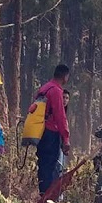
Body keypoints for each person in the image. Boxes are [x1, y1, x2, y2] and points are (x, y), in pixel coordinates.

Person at [33, 65, 71, 195]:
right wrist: (65, 139)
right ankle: (47, 197)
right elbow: (60, 116)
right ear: (65, 77)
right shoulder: (56, 91)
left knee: (43, 164)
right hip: (51, 133)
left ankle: (43, 193)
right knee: (50, 165)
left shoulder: (44, 88)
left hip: (40, 131)